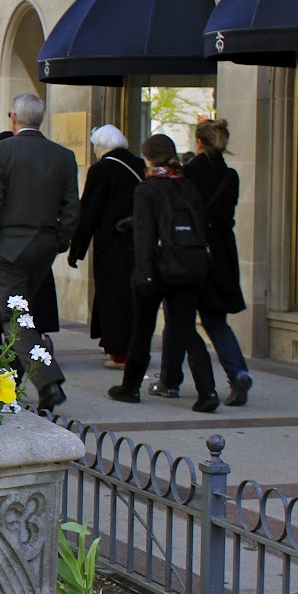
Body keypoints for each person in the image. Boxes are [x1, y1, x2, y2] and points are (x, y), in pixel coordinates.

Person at [0, 93, 79, 415]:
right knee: (22, 316)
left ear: (14, 119)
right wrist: (59, 241)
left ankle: (47, 382)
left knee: (15, 319)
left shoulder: (2, 151)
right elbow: (72, 209)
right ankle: (8, 380)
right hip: (43, 247)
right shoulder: (63, 156)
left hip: (8, 248)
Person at [108, 133, 220, 413]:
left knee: (143, 329)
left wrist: (143, 275)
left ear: (147, 157)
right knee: (185, 329)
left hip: (156, 268)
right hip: (187, 266)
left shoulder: (147, 189)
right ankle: (208, 391)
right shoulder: (187, 185)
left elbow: (145, 237)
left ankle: (130, 386)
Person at [155, 119, 252, 405]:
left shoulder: (187, 174)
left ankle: (170, 381)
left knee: (177, 318)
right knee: (215, 319)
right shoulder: (230, 175)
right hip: (221, 253)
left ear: (198, 142)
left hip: (190, 251)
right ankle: (238, 372)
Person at [0, 130, 60, 347]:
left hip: (1, 245)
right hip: (35, 241)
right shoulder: (35, 167)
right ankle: (29, 344)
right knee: (28, 300)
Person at [68, 125, 145, 369]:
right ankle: (114, 342)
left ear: (100, 146)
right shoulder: (141, 165)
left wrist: (76, 248)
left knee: (113, 295)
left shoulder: (102, 170)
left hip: (112, 243)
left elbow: (89, 212)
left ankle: (119, 351)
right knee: (130, 297)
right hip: (140, 242)